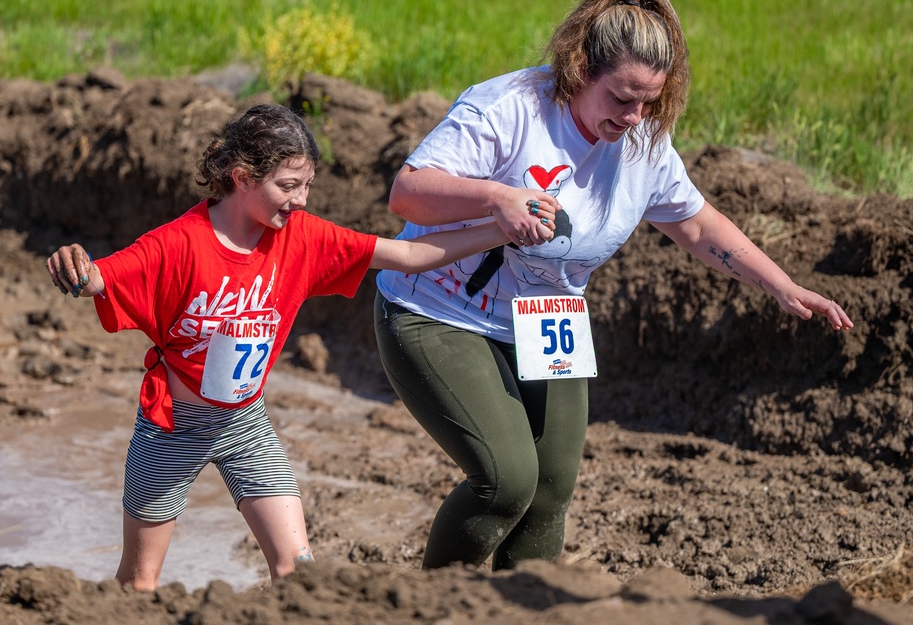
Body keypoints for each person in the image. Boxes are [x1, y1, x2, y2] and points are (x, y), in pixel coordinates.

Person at [373, 0, 854, 572]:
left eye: (649, 100)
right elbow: (408, 193)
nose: (635, 116)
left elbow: (699, 227)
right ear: (580, 69)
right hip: (440, 310)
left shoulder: (646, 143)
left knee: (549, 492)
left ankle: (528, 613)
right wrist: (496, 197)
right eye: (622, 97)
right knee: (506, 482)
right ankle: (432, 607)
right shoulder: (510, 108)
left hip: (545, 319)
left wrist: (781, 284)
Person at [46, 103, 558, 591]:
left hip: (245, 425)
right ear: (242, 177)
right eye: (288, 186)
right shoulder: (177, 245)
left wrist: (501, 227)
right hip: (172, 428)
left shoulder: (303, 237)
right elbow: (96, 278)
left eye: (308, 185)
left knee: (299, 572)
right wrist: (73, 265)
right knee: (138, 584)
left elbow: (407, 253)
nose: (302, 200)